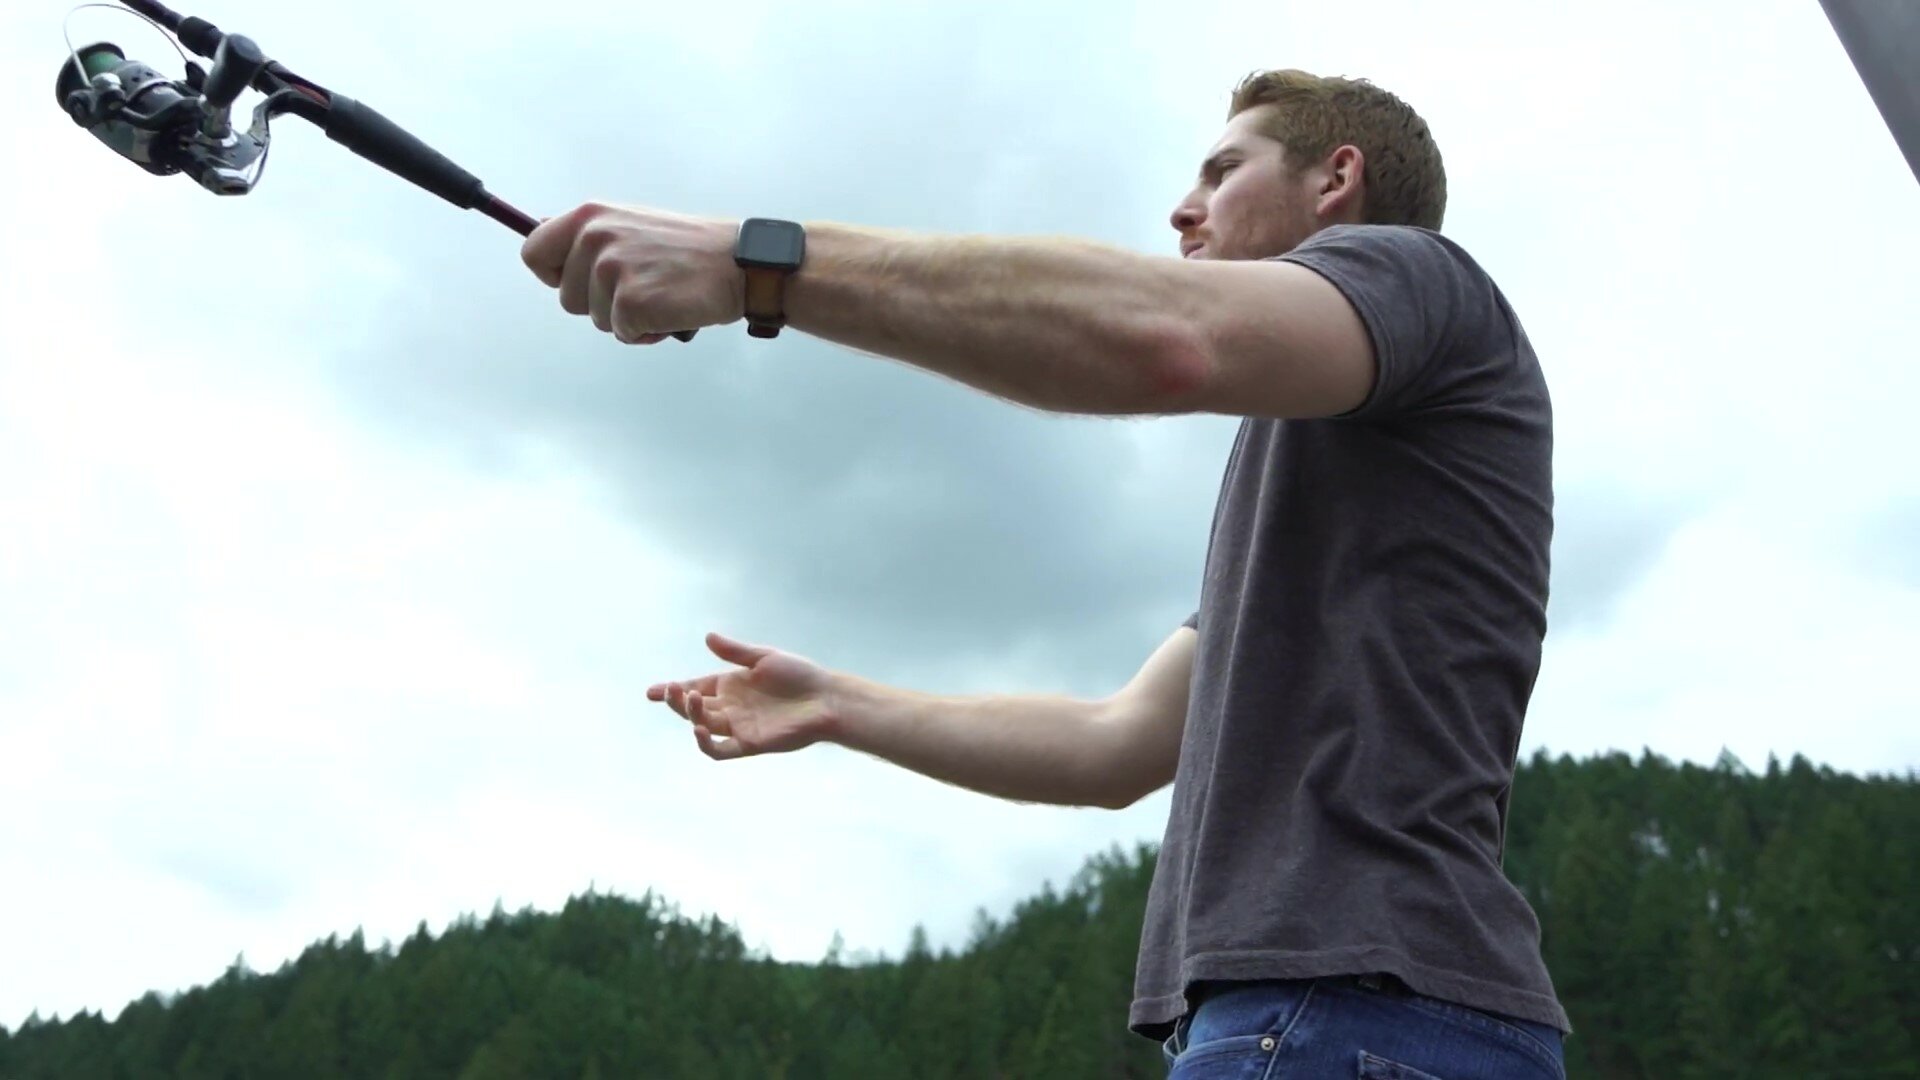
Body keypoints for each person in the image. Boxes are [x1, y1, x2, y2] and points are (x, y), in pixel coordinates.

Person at [522, 66, 1568, 1079]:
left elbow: (1166, 340)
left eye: (1221, 172)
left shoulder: (1420, 276)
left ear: (1335, 180)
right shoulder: (1333, 484)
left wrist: (757, 262)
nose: (1182, 209)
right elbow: (1115, 744)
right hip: (1341, 1020)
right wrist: (840, 705)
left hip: (1340, 1012)